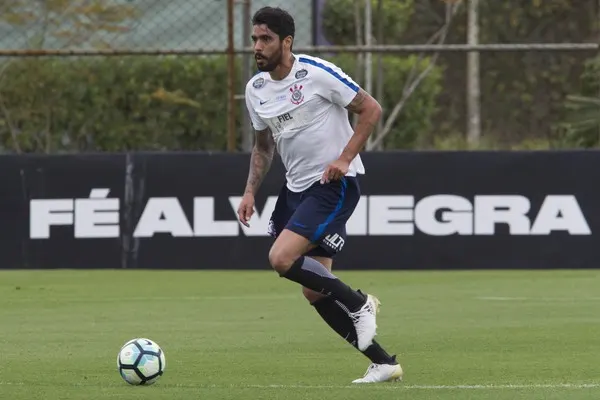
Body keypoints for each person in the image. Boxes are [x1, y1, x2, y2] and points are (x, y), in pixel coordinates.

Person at [236, 6, 403, 384]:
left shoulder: (316, 73)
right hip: (295, 190)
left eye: (266, 39)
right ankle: (383, 363)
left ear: (287, 42)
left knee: (280, 258)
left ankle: (360, 303)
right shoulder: (256, 90)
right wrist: (249, 193)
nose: (257, 47)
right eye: (254, 39)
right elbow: (263, 148)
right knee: (314, 292)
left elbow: (371, 109)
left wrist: (345, 159)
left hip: (333, 185)